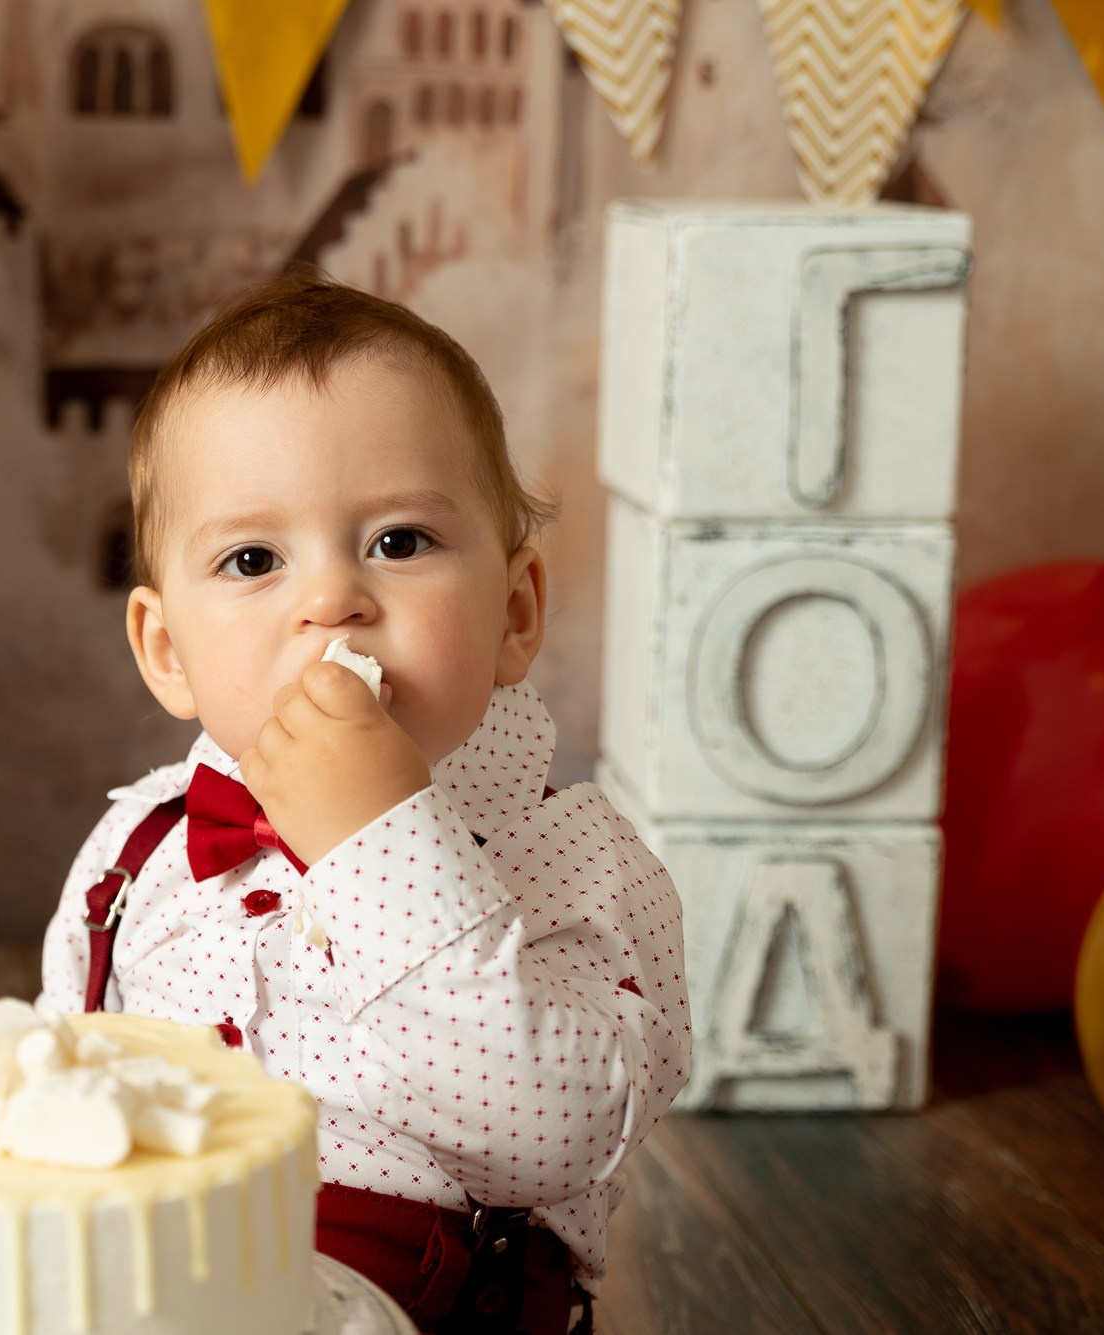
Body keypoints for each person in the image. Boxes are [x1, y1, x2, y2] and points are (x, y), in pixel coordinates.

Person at [39, 272, 690, 1335]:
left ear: (514, 613)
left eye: (397, 541)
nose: (330, 600)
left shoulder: (577, 865)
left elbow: (552, 1133)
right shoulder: (142, 846)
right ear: (167, 652)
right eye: (252, 560)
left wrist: (380, 848)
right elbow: (61, 1079)